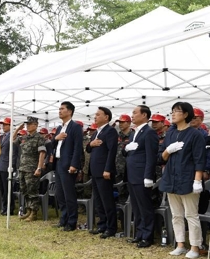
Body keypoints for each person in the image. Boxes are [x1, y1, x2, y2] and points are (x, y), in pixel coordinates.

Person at [159, 102, 205, 259]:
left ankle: (195, 246)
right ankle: (180, 244)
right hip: (171, 179)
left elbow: (199, 159)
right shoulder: (170, 134)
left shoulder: (195, 134)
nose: (173, 114)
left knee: (191, 215)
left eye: (177, 111)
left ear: (186, 114)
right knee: (176, 215)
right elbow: (161, 157)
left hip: (188, 179)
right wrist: (168, 150)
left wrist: (197, 180)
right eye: (172, 111)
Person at [124, 105, 159, 248]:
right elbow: (128, 152)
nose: (132, 115)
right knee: (136, 207)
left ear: (144, 115)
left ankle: (147, 236)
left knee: (145, 206)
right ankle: (139, 234)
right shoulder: (135, 132)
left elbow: (151, 156)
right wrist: (125, 149)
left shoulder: (149, 132)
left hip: (141, 174)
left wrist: (148, 176)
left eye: (135, 113)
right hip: (132, 174)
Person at [86, 107, 118, 239]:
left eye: (98, 115)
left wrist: (107, 169)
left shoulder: (110, 131)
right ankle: (102, 224)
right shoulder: (96, 132)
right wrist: (91, 144)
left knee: (107, 200)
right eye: (95, 114)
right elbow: (88, 149)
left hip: (104, 171)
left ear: (106, 117)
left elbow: (112, 151)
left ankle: (111, 227)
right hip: (94, 171)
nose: (95, 117)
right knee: (98, 200)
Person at [52, 101, 83, 231]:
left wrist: (74, 164)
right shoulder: (60, 128)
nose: (60, 111)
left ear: (69, 111)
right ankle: (63, 219)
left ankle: (72, 222)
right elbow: (52, 146)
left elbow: (77, 147)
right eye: (59, 109)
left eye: (62, 109)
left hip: (68, 165)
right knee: (60, 194)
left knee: (69, 194)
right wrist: (56, 138)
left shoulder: (75, 127)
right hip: (58, 163)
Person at [13, 116, 46, 221]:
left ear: (35, 125)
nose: (27, 126)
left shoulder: (39, 138)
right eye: (26, 124)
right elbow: (12, 140)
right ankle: (29, 210)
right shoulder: (24, 137)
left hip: (32, 169)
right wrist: (18, 129)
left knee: (32, 191)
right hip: (22, 168)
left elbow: (42, 153)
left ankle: (34, 212)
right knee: (24, 190)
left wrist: (39, 168)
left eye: (29, 124)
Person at [0, 117, 17, 216]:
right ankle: (4, 207)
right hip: (0, 165)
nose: (3, 126)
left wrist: (11, 166)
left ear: (10, 125)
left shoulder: (12, 136)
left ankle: (9, 208)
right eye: (3, 125)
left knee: (8, 189)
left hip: (7, 166)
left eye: (5, 124)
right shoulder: (2, 137)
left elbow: (14, 153)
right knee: (3, 189)